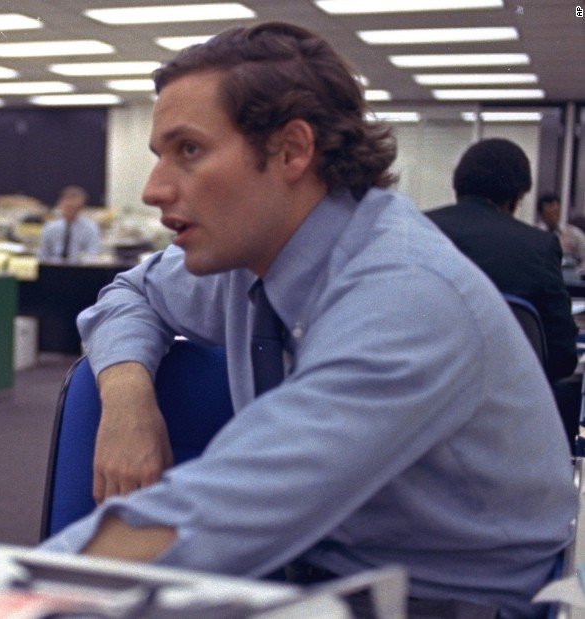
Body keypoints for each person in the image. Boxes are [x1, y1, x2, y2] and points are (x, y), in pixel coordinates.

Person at [39, 22, 575, 618]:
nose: (153, 189)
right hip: (306, 580)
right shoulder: (243, 260)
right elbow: (126, 294)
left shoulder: (405, 296)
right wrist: (126, 394)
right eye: (158, 155)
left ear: (292, 150)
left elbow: (226, 508)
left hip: (445, 602)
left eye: (188, 150)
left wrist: (10, 598)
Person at [426, 141, 578, 383]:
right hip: (507, 405)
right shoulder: (539, 245)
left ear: (457, 188)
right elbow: (562, 356)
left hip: (414, 400)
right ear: (516, 197)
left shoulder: (412, 229)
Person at [37, 185, 101, 261]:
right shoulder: (50, 228)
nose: (71, 211)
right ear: (60, 205)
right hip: (53, 267)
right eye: (68, 207)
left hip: (80, 268)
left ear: (81, 208)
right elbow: (43, 255)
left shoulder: (91, 229)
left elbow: (92, 254)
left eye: (75, 208)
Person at [536, 192, 585, 267]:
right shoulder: (535, 233)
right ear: (541, 214)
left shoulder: (573, 233)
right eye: (550, 213)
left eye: (556, 212)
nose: (553, 217)